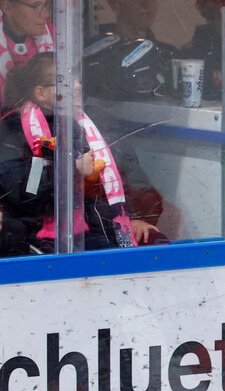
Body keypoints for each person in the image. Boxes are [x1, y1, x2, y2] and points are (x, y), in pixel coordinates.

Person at [0, 53, 165, 251]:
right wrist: (73, 169)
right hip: (37, 236)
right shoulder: (16, 132)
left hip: (89, 228)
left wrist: (132, 220)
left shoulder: (87, 124)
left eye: (76, 79)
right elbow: (29, 197)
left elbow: (112, 184)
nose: (77, 87)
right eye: (64, 82)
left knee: (158, 244)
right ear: (40, 93)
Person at [0, 0, 54, 107]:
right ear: (6, 7)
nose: (45, 14)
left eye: (46, 5)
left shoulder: (54, 32)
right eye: (35, 6)